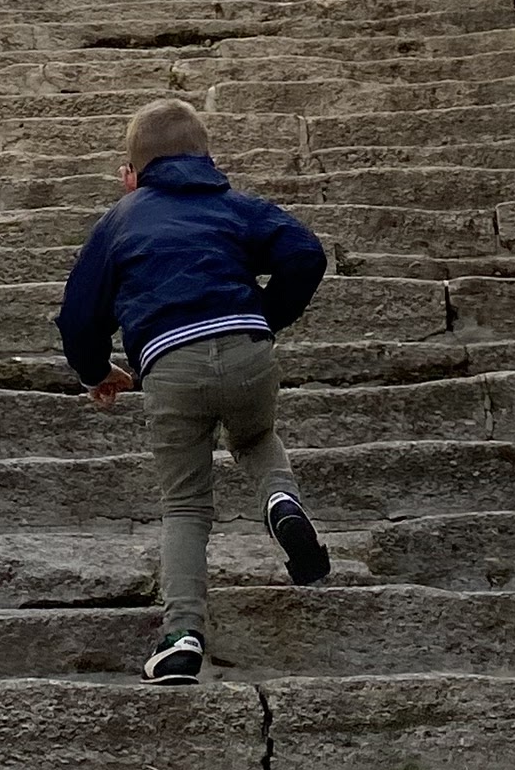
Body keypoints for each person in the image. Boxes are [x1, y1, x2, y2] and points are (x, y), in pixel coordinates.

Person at [57, 95, 331, 684]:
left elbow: (78, 315)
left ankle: (181, 636)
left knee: (185, 504)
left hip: (171, 363)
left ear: (131, 174)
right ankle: (281, 500)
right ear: (207, 158)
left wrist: (96, 371)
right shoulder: (234, 205)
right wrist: (263, 316)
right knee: (255, 438)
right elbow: (306, 252)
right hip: (247, 349)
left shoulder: (120, 221)